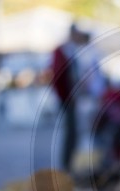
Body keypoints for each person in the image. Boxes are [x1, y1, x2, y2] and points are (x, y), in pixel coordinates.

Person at [50, 24, 86, 172]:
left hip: (70, 98)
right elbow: (59, 77)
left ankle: (69, 163)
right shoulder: (62, 51)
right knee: (70, 133)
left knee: (73, 133)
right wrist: (66, 96)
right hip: (66, 99)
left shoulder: (70, 50)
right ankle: (66, 166)